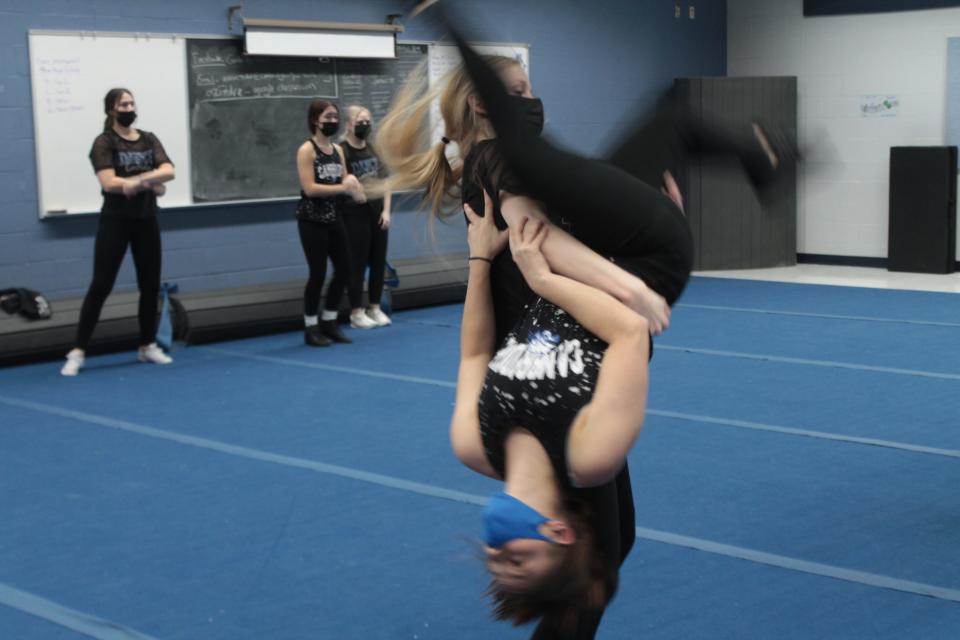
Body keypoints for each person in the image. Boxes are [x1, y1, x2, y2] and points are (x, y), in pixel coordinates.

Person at [61, 88, 176, 377]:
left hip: (146, 219)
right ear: (112, 110)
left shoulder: (148, 139)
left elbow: (169, 171)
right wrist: (150, 181)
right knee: (101, 284)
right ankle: (78, 351)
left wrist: (136, 182)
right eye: (123, 104)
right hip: (115, 221)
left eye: (132, 102)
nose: (129, 107)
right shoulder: (104, 142)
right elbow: (110, 183)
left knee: (150, 284)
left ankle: (147, 345)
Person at [295, 99, 365, 347]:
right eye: (328, 117)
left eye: (335, 117)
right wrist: (342, 188)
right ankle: (311, 326)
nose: (332, 121)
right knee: (318, 273)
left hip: (335, 218)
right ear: (315, 120)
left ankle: (330, 321)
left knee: (345, 269)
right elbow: (310, 188)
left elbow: (345, 177)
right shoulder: (307, 150)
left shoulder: (338, 150)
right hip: (311, 219)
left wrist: (353, 184)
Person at [340, 105, 393, 329]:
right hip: (354, 213)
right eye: (360, 121)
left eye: (368, 120)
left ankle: (374, 307)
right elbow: (342, 181)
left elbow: (386, 182)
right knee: (357, 263)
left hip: (377, 212)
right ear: (349, 125)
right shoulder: (342, 150)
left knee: (378, 262)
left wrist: (386, 210)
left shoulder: (374, 149)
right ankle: (356, 312)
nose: (365, 125)